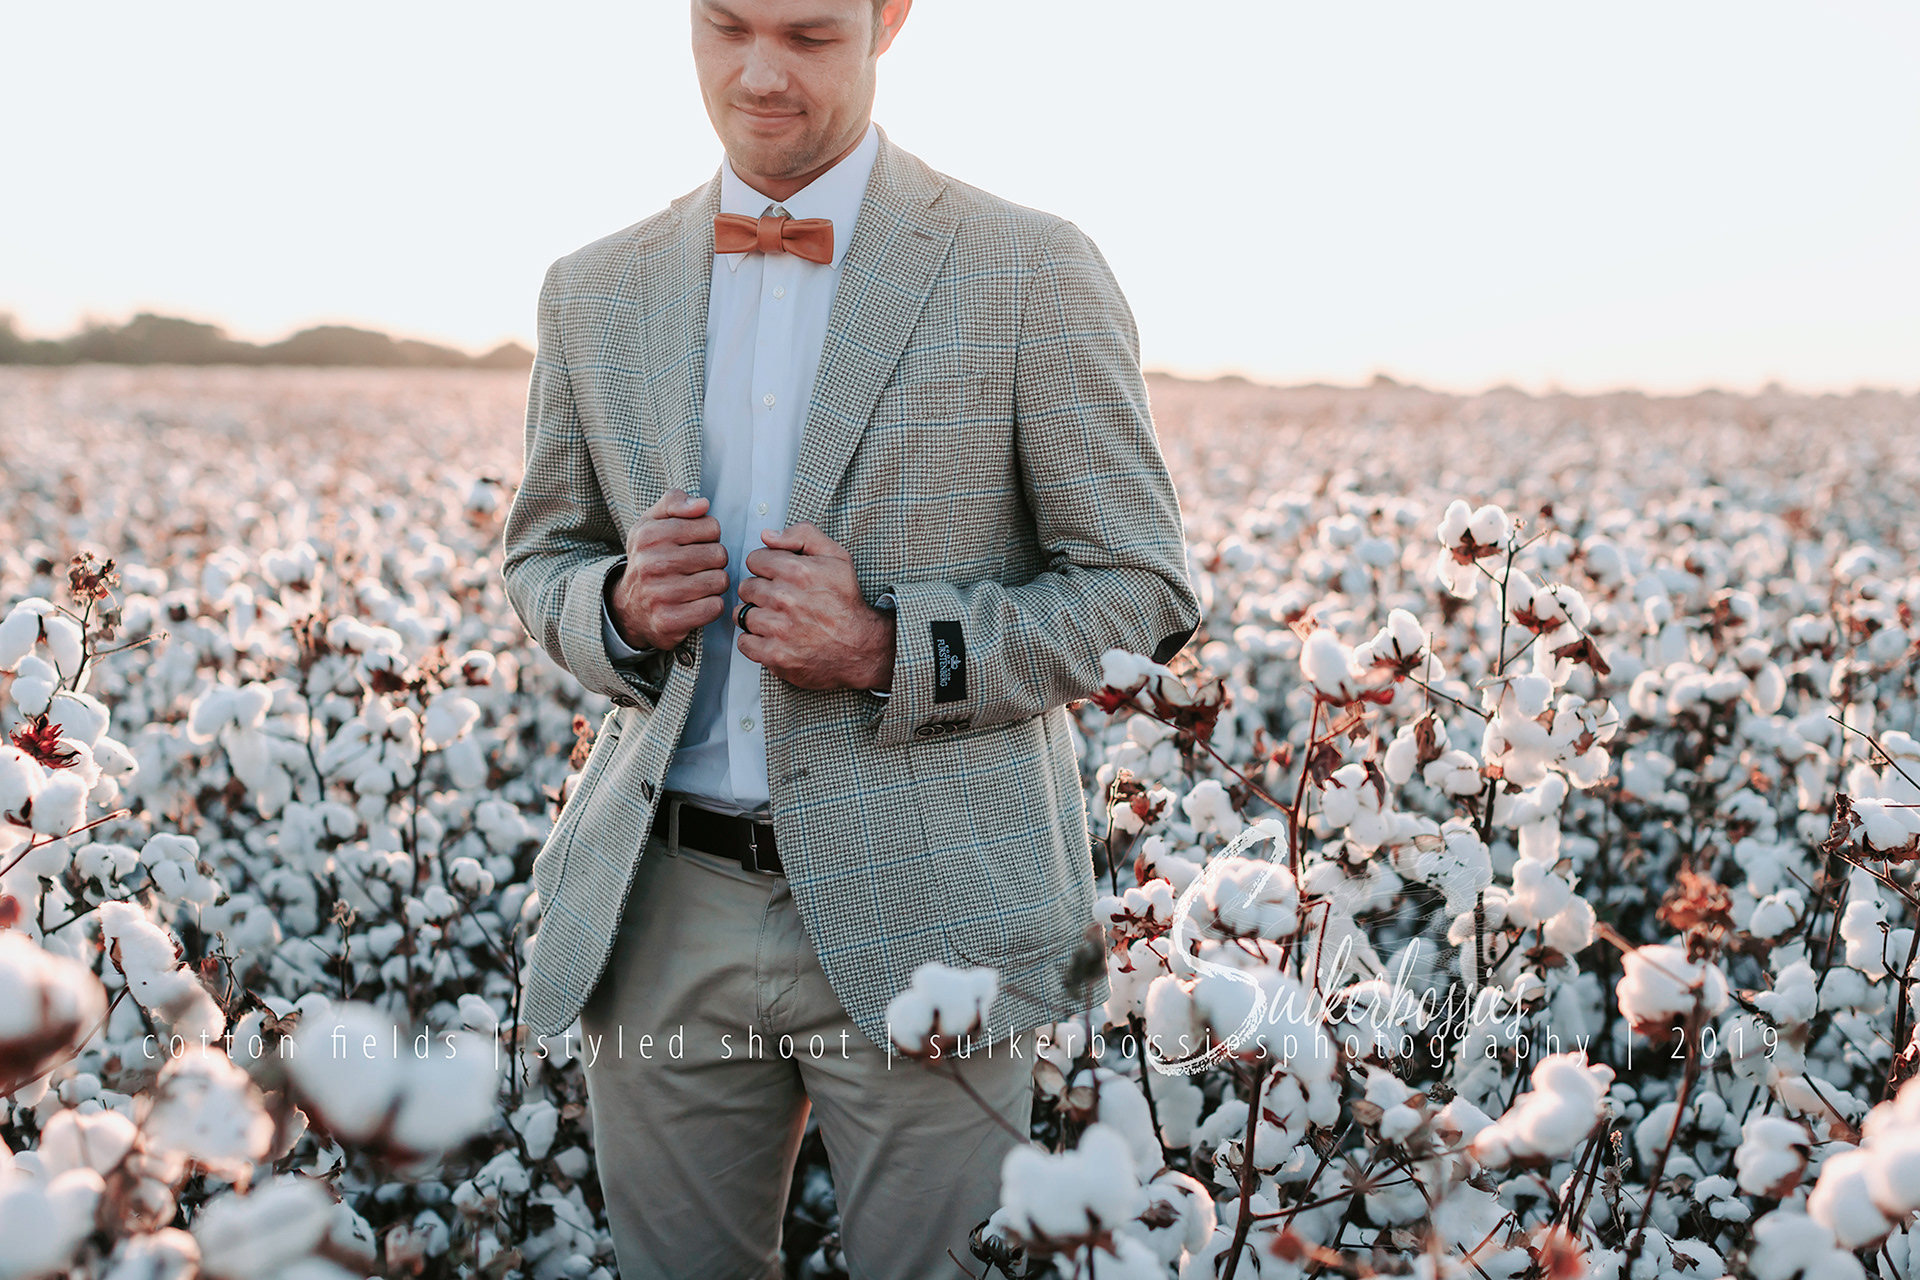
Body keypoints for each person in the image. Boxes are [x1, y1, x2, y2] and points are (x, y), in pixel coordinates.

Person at [499, 0, 1199, 1274]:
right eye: (725, 26)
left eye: (811, 34)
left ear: (891, 21)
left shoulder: (1031, 266)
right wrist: (614, 608)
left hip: (940, 904)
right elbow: (540, 554)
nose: (759, 74)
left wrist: (890, 646)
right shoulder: (591, 288)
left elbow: (1142, 587)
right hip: (663, 904)